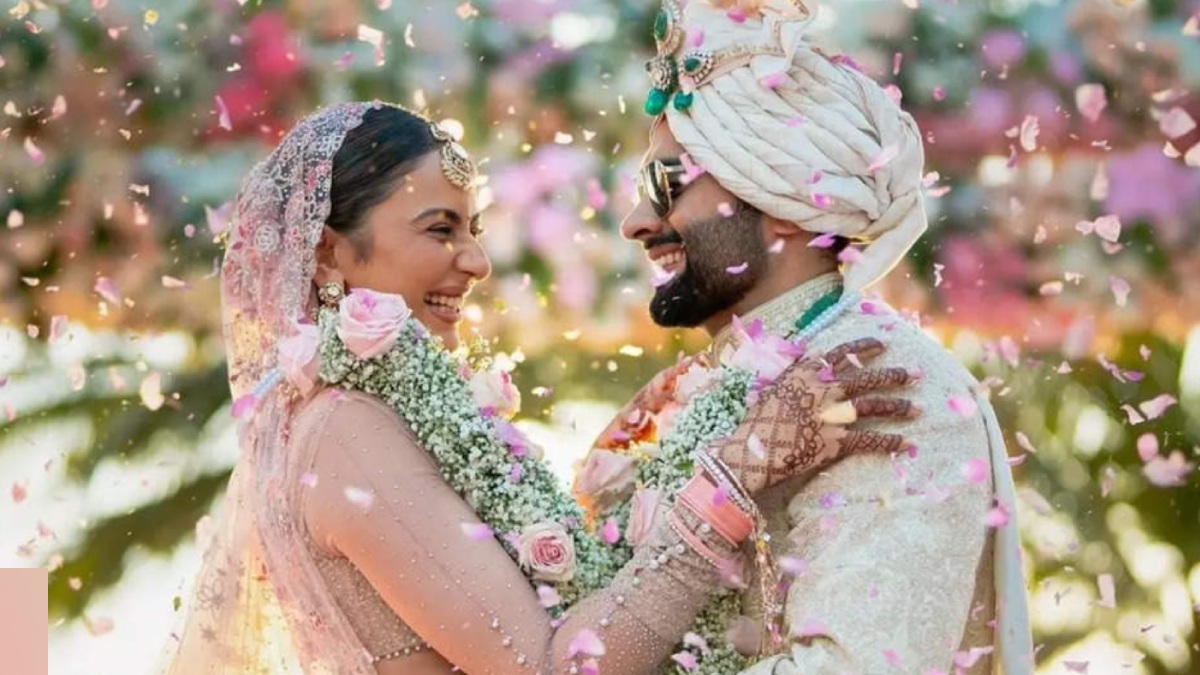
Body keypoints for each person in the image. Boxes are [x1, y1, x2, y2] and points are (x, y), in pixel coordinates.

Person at [161, 100, 923, 675]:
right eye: (440, 229)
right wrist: (733, 475)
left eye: (473, 228)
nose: (476, 261)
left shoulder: (368, 416)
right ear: (329, 254)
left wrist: (628, 485)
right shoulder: (343, 432)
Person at [588, 0, 1035, 672]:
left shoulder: (885, 384)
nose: (635, 221)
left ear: (789, 202)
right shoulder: (694, 386)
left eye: (666, 183)